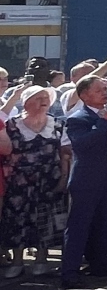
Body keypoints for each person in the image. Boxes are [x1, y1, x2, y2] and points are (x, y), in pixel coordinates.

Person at [60, 77, 107, 289]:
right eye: (99, 90)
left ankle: (104, 264)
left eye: (105, 89)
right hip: (87, 176)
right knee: (80, 224)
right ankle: (70, 272)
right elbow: (81, 144)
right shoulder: (78, 118)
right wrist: (103, 123)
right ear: (84, 95)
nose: (105, 93)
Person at [0, 86, 70, 278]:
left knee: (45, 219)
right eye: (38, 98)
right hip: (19, 181)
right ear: (26, 103)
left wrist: (63, 178)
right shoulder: (12, 125)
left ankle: (41, 259)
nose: (43, 101)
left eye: (45, 98)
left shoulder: (57, 124)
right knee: (17, 220)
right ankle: (17, 261)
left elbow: (65, 154)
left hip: (49, 179)